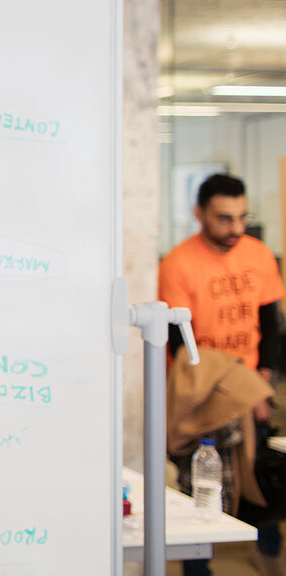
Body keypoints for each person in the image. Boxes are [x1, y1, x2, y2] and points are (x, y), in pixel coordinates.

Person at [159, 173, 285, 576]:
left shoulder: (259, 254)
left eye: (242, 218)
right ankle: (200, 570)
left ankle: (268, 555)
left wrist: (259, 387)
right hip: (203, 394)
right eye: (224, 219)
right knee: (202, 491)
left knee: (263, 479)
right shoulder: (179, 263)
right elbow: (179, 345)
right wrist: (228, 394)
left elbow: (270, 325)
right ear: (199, 214)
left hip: (250, 391)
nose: (236, 229)